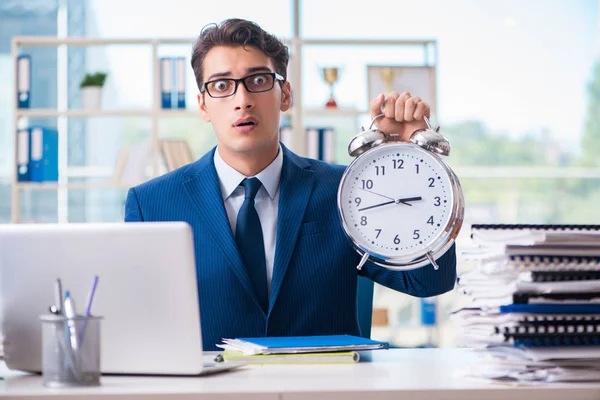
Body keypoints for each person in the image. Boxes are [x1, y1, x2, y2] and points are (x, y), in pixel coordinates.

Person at [125, 18, 457, 351]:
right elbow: (135, 325)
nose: (242, 100)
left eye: (257, 80)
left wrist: (413, 159)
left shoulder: (347, 190)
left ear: (285, 95)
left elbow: (429, 281)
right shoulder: (151, 204)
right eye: (222, 85)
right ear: (203, 105)